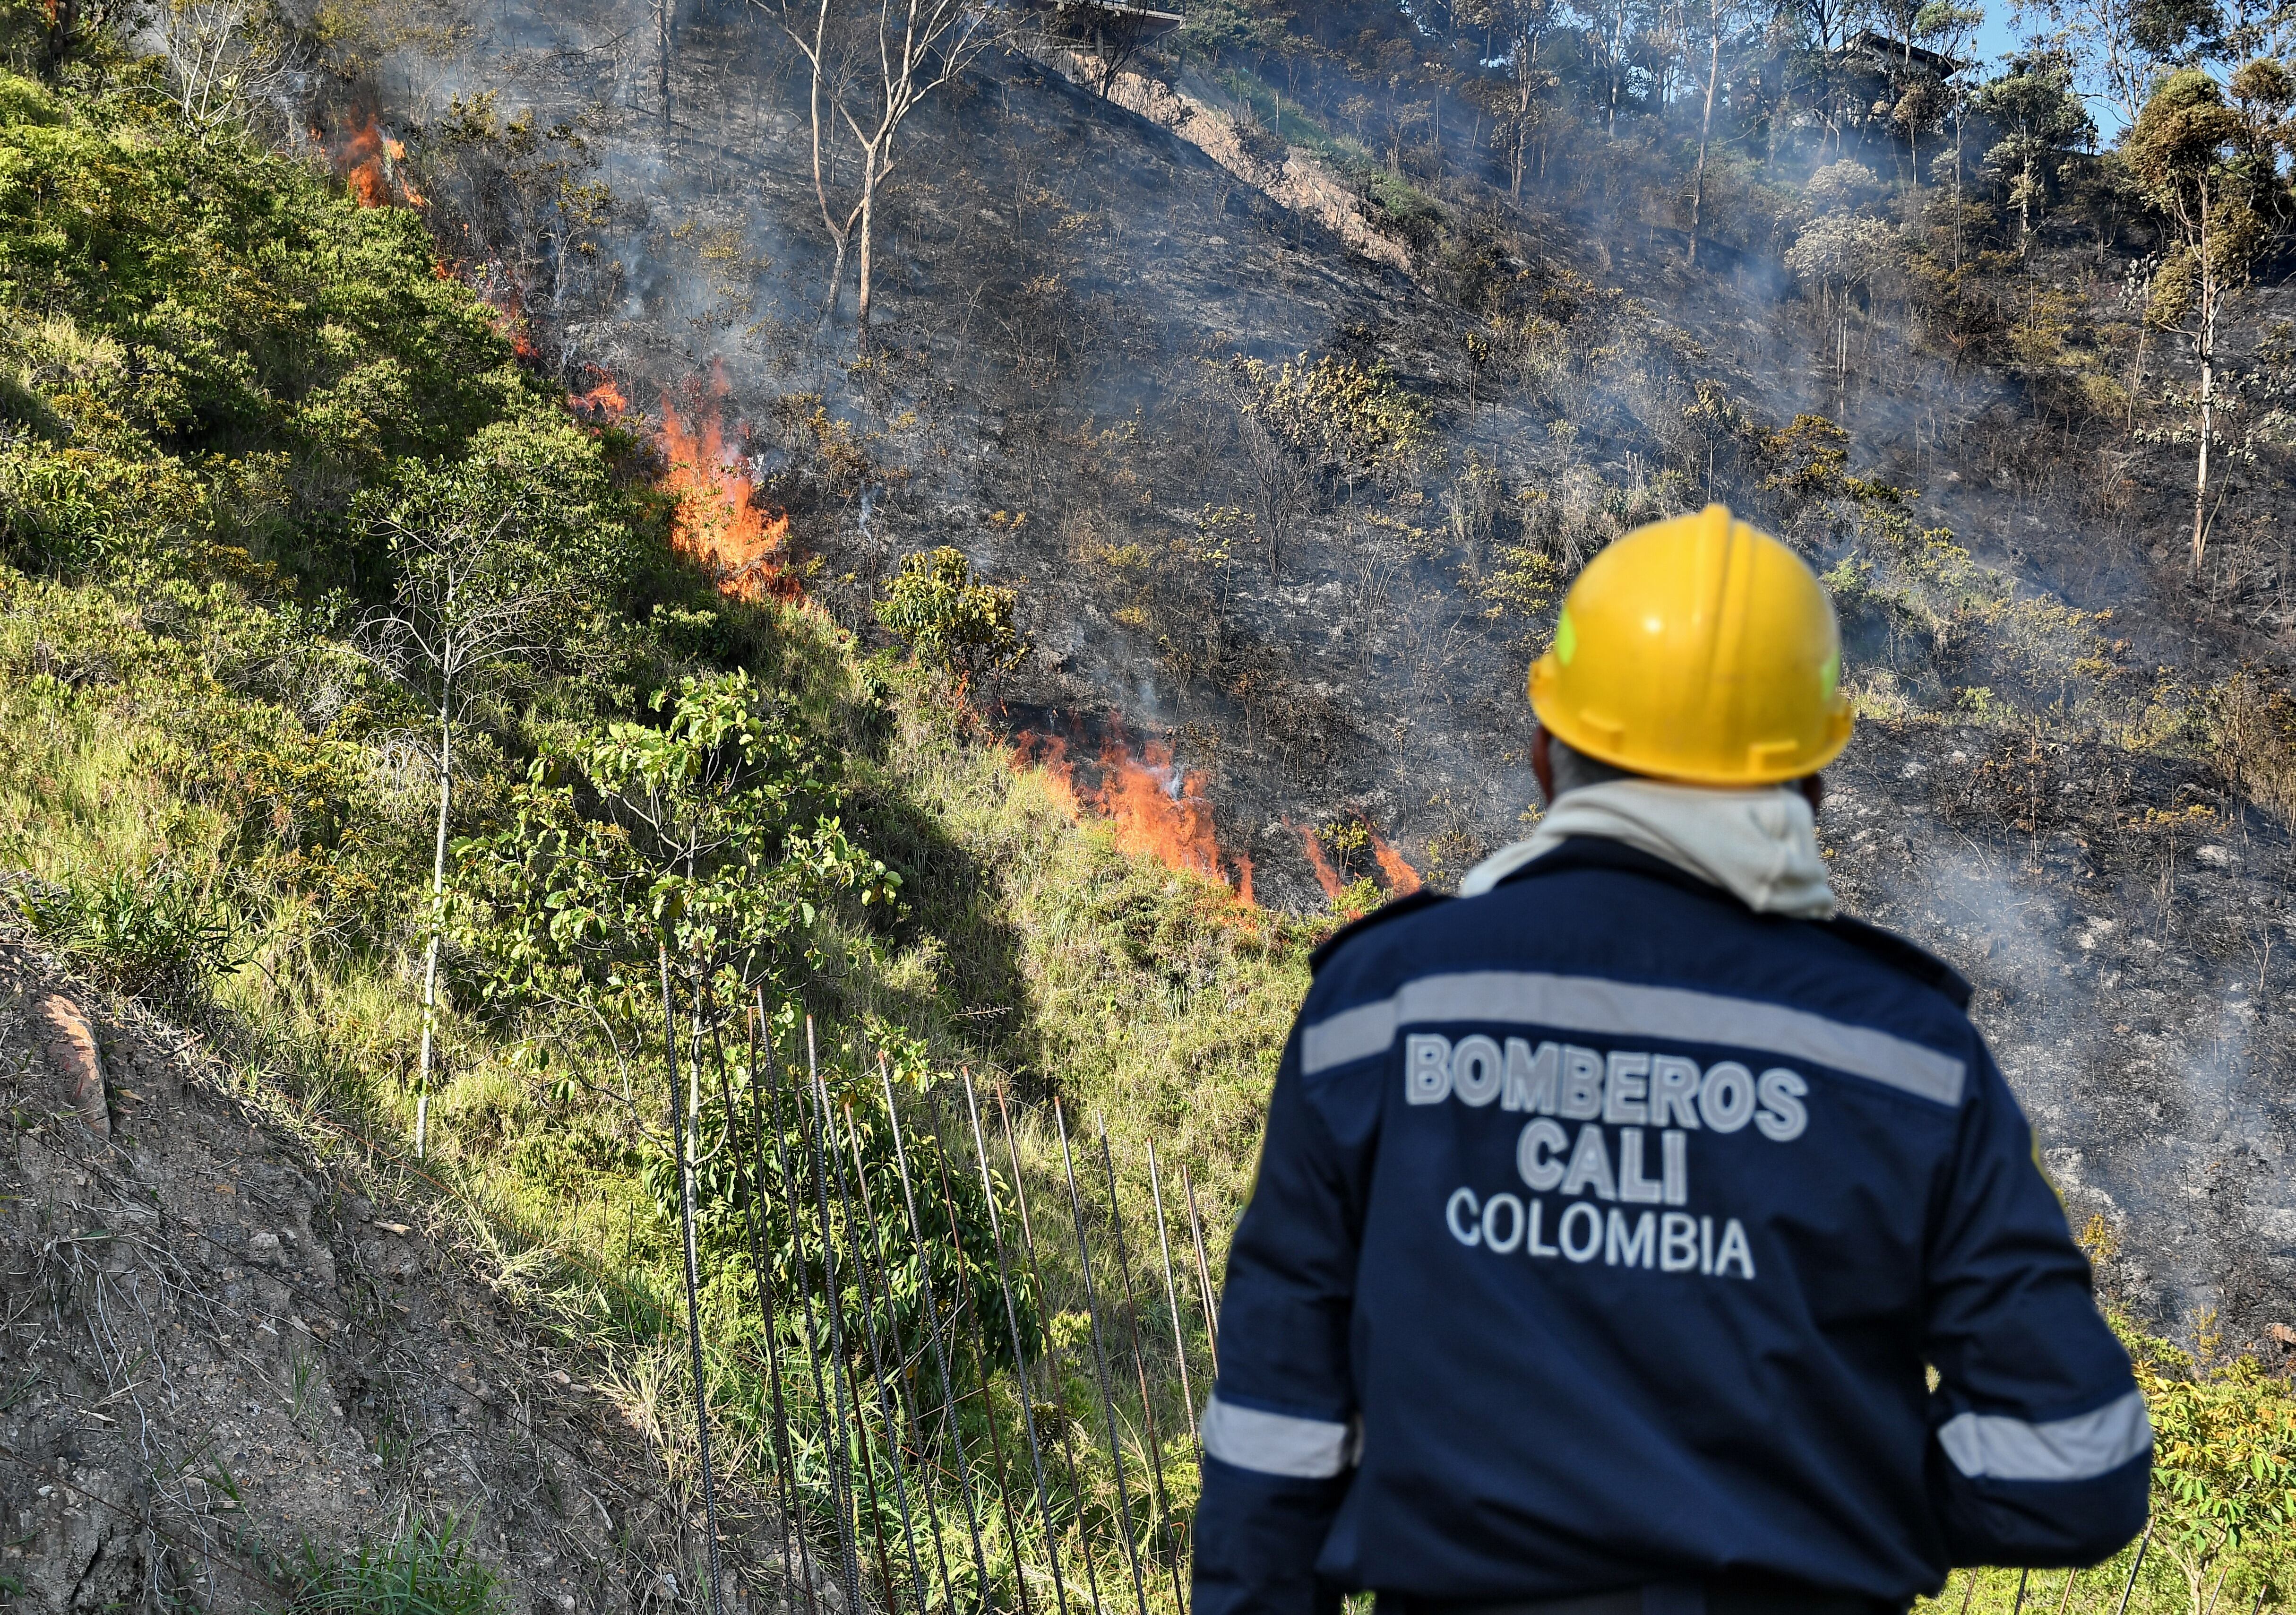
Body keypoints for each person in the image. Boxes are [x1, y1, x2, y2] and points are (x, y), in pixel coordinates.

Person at [1191, 506, 2150, 1615]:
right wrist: (1820, 1496)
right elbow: (2077, 1460)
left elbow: (1278, 1432)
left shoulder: (1381, 1008)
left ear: (1548, 752)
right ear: (1811, 785)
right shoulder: (1909, 1058)